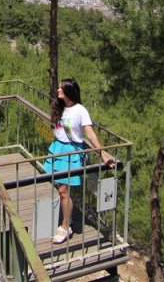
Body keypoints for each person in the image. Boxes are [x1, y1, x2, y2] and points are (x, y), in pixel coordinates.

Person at [43, 78, 114, 244]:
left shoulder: (80, 110)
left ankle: (65, 225)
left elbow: (90, 134)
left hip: (71, 151)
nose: (58, 90)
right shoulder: (60, 107)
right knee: (61, 189)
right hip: (58, 148)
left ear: (68, 92)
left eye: (61, 88)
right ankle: (67, 217)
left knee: (63, 191)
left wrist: (103, 154)